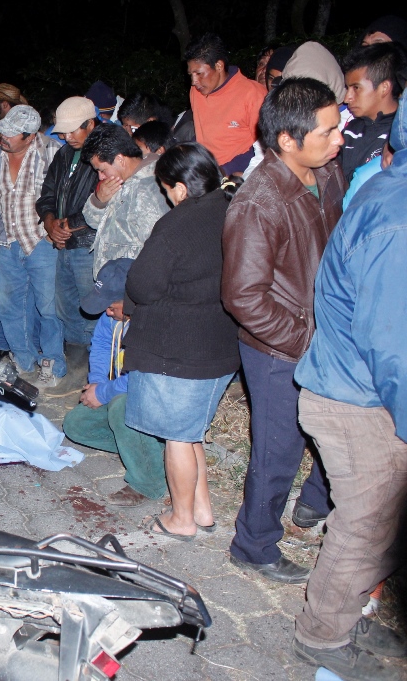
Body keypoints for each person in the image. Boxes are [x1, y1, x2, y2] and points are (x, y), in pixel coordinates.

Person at [290, 88, 407, 681]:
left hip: (360, 384)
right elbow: (393, 341)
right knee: (366, 526)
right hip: (359, 396)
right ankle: (322, 635)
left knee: (379, 525)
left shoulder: (390, 190)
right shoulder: (399, 216)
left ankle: (347, 610)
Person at [223, 77, 346, 583]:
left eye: (338, 127)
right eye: (327, 131)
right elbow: (243, 298)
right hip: (279, 347)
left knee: (342, 427)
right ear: (287, 140)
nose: (339, 139)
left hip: (327, 330)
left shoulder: (328, 172)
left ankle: (314, 502)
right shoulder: (259, 202)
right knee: (278, 451)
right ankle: (253, 544)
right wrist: (304, 341)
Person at [124, 143, 242, 539]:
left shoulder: (178, 224)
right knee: (191, 432)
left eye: (165, 189)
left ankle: (181, 519)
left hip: (179, 348)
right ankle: (202, 510)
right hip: (221, 344)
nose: (166, 197)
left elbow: (143, 285)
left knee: (177, 437)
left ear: (179, 187)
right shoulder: (230, 208)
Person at [61, 258, 166, 507]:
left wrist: (104, 393)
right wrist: (97, 384)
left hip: (158, 401)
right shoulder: (112, 318)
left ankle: (149, 482)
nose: (107, 312)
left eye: (111, 306)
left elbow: (141, 378)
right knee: (75, 425)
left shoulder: (155, 321)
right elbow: (100, 345)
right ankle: (153, 452)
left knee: (121, 406)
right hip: (125, 389)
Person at [0, 105, 66, 393]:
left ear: (30, 136)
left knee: (48, 308)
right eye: (3, 130)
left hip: (41, 240)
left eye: (11, 133)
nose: (3, 136)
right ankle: (23, 359)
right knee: (9, 306)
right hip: (8, 241)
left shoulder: (52, 151)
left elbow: (64, 195)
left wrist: (56, 231)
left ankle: (52, 363)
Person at [37, 97, 101, 379]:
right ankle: (77, 367)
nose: (67, 136)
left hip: (88, 243)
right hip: (63, 241)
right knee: (66, 306)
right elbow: (47, 194)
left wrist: (66, 226)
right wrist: (50, 222)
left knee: (92, 306)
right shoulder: (64, 154)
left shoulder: (104, 153)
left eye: (73, 130)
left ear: (91, 124)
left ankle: (95, 367)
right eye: (63, 131)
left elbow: (105, 202)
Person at [81, 123, 170, 279]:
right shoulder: (120, 181)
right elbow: (92, 222)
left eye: (102, 170)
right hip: (113, 281)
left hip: (133, 282)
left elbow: (158, 251)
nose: (100, 176)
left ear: (120, 159)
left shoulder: (149, 189)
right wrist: (98, 200)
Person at [186, 33, 267, 174]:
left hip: (242, 173)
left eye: (199, 73)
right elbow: (204, 136)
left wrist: (223, 171)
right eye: (190, 75)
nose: (194, 82)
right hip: (205, 170)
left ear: (219, 66)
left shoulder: (253, 94)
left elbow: (263, 149)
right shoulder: (196, 92)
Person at [340, 43, 403, 183]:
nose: (347, 98)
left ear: (384, 88)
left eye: (356, 88)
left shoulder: (400, 135)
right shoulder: (351, 130)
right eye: (347, 88)